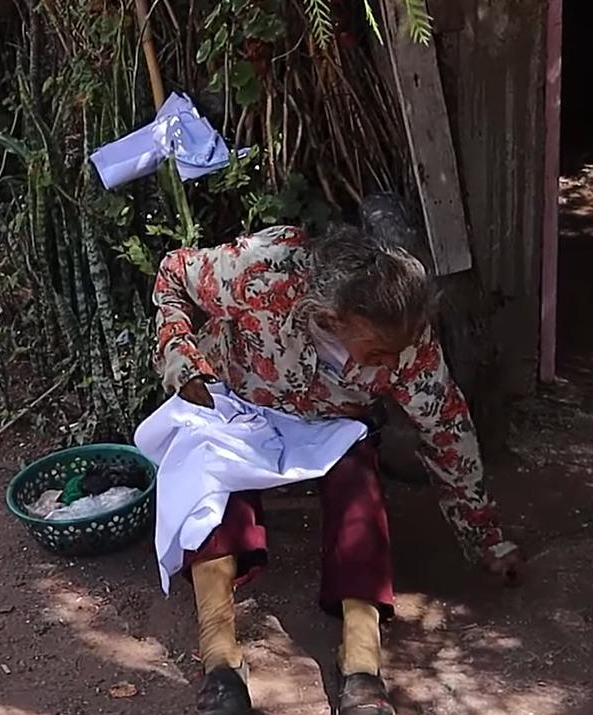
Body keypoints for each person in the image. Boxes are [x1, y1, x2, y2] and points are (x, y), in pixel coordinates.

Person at [151, 223, 525, 715]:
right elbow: (171, 276)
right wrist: (182, 357)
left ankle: (362, 666)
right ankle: (220, 664)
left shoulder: (406, 338)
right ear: (331, 319)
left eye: (398, 353)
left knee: (358, 481)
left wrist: (484, 536)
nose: (391, 364)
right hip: (240, 410)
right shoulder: (260, 275)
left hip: (329, 427)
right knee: (214, 494)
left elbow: (445, 428)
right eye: (376, 354)